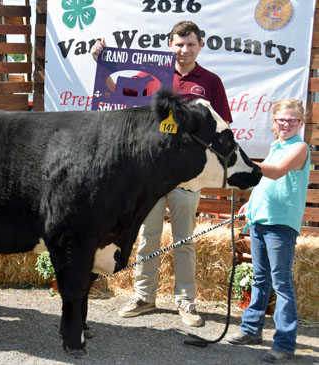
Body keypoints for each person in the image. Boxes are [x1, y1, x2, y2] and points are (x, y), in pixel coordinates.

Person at [91, 20, 232, 326]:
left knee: (185, 240)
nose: (184, 50)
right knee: (147, 236)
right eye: (179, 44)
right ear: (170, 45)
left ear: (200, 46)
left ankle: (186, 302)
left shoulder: (210, 81)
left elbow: (222, 126)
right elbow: (116, 91)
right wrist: (101, 61)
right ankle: (144, 297)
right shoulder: (153, 76)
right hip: (150, 174)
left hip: (186, 177)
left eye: (190, 44)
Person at [227, 99, 308, 363]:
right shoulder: (276, 146)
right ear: (273, 122)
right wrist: (251, 204)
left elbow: (277, 173)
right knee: (260, 278)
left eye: (292, 120)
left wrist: (244, 164)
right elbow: (265, 184)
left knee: (281, 283)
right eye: (281, 119)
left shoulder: (300, 148)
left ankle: (284, 343)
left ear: (301, 123)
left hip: (280, 224)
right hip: (260, 221)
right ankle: (251, 330)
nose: (286, 124)